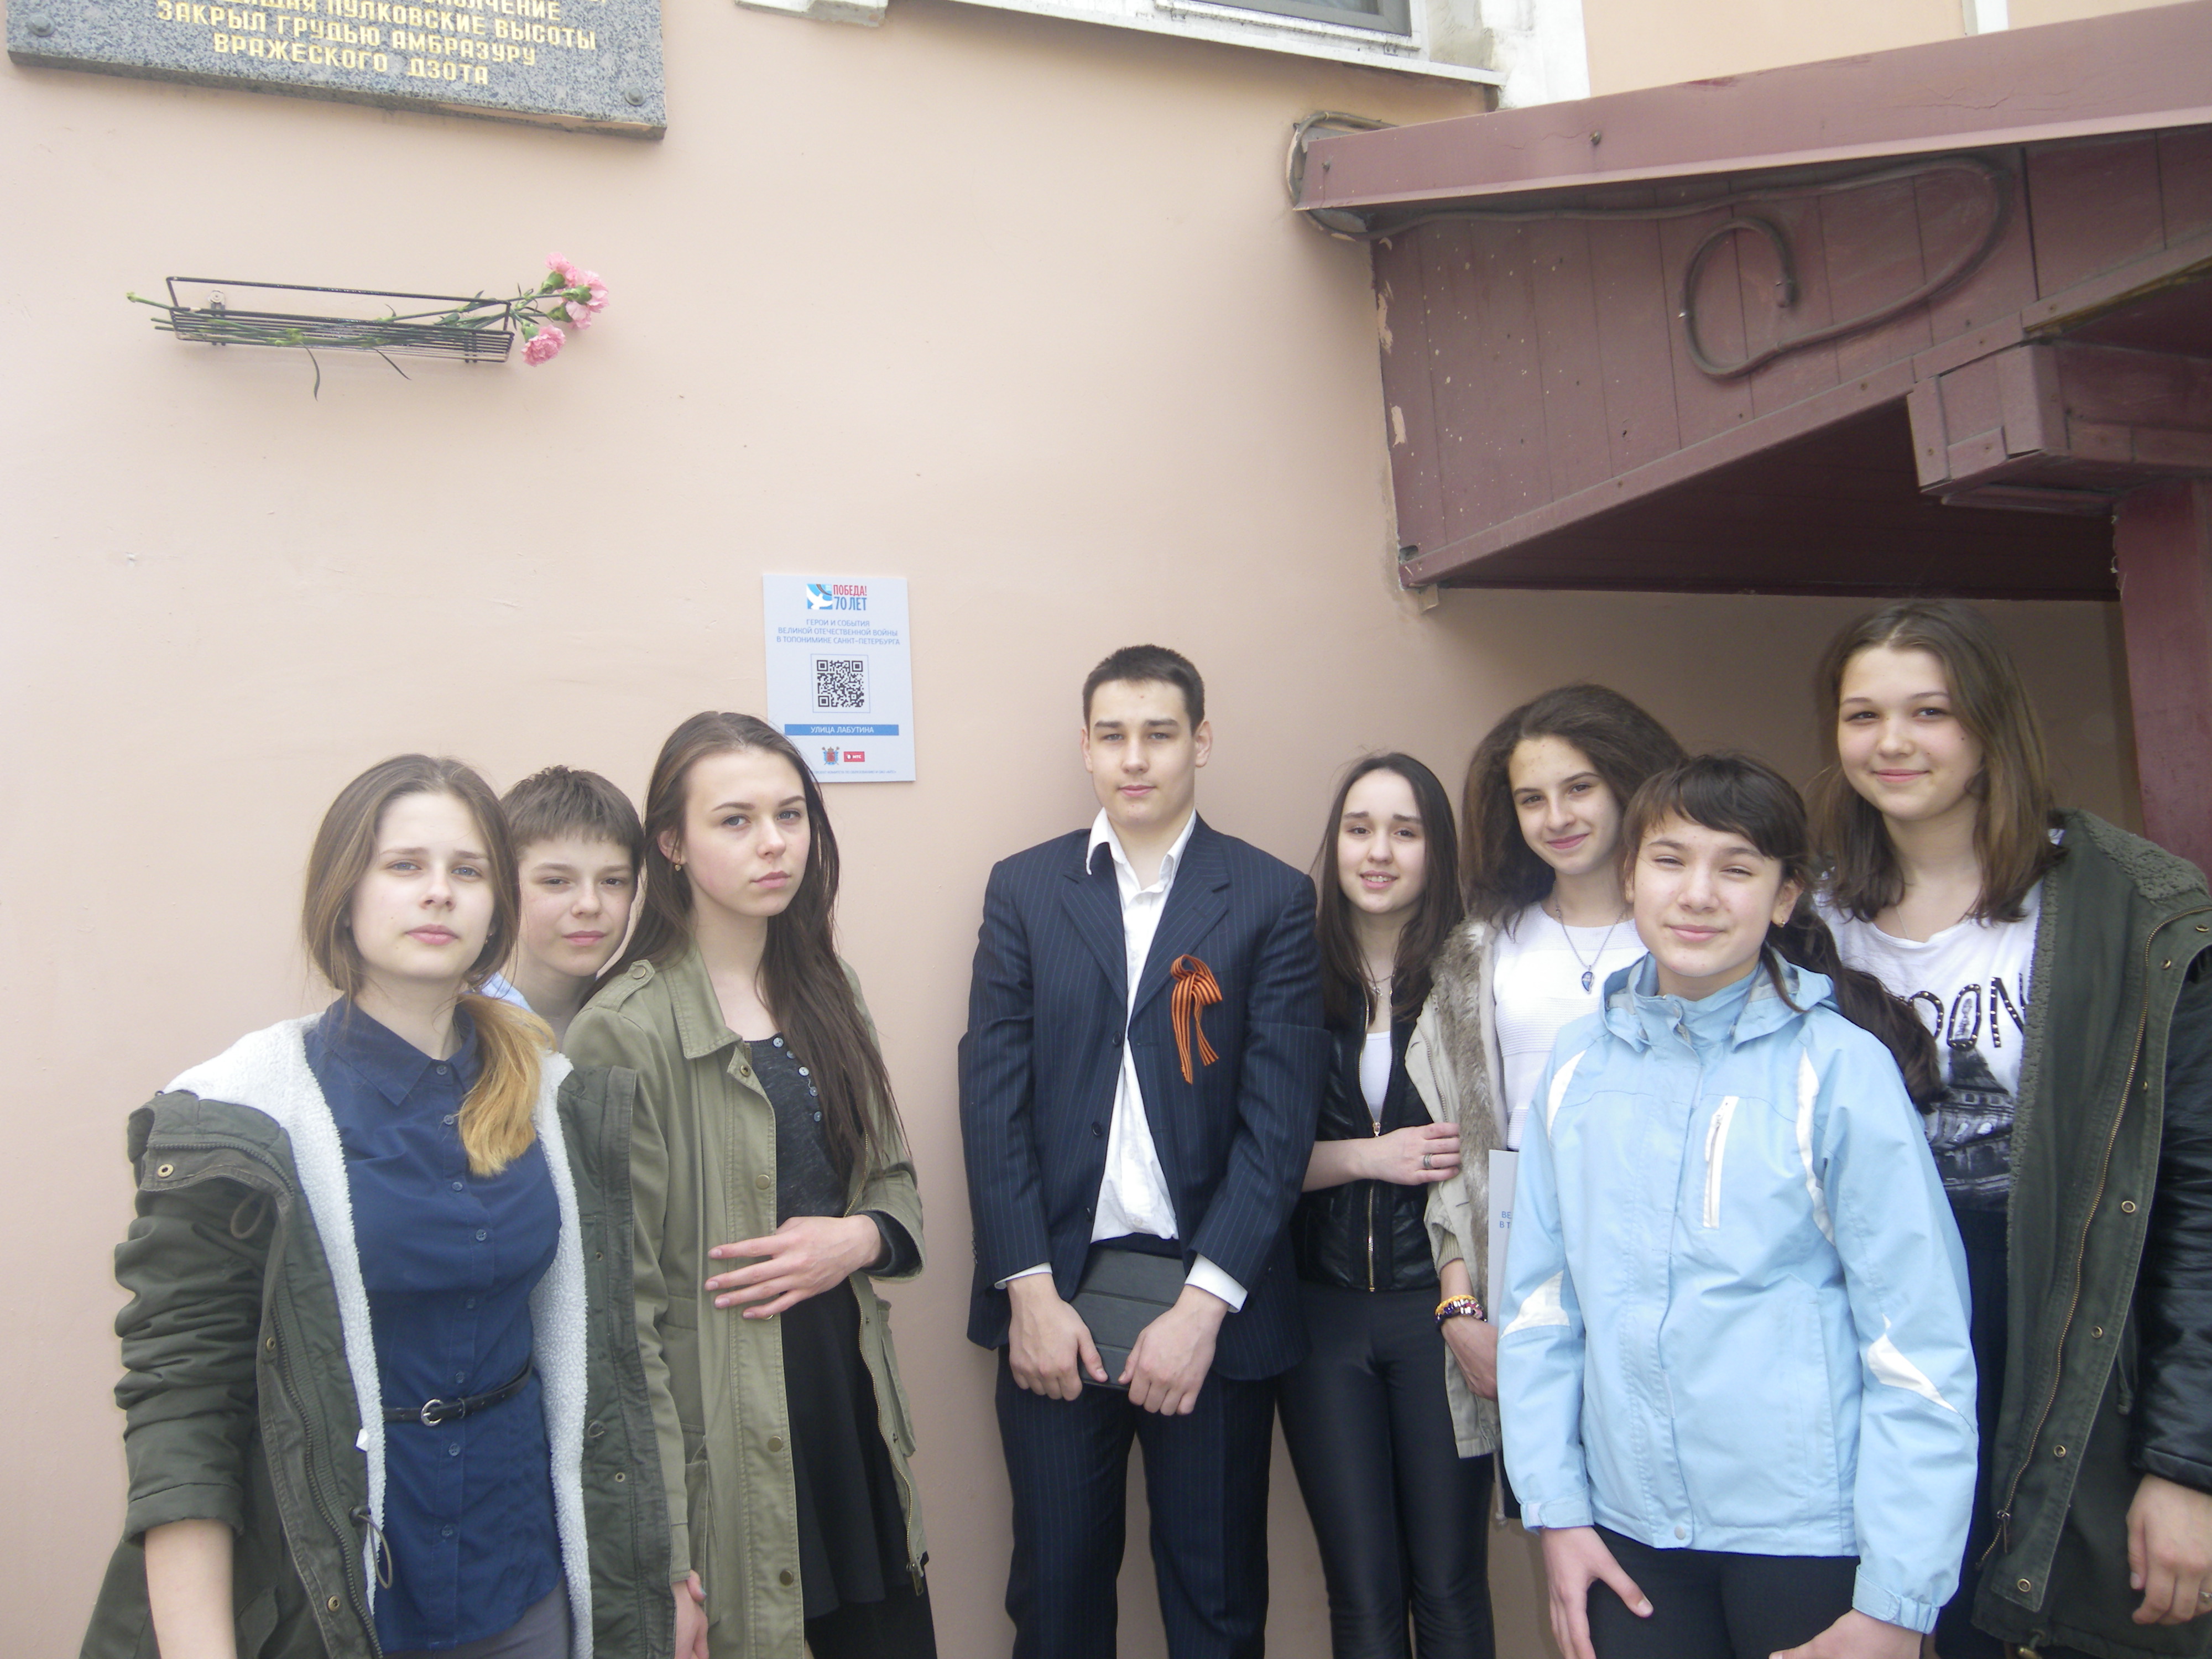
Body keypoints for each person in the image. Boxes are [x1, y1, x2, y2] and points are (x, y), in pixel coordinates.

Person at [81, 755, 676, 1659]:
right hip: (333, 1596)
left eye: (468, 870)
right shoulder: (241, 1118)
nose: (439, 892)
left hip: (522, 1580)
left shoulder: (554, 1099)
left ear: (495, 910)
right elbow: (185, 1414)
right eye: (405, 866)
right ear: (343, 896)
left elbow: (607, 1358)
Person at [1498, 752, 1975, 1659]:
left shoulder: (1841, 1070)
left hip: (1809, 1541)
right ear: (1630, 875)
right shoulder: (1577, 1064)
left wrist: (1898, 1602)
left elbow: (1919, 1344)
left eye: (1738, 868)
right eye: (1670, 860)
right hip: (1626, 1535)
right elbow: (1540, 1310)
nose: (1698, 894)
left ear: (1785, 896)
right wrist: (1556, 1511)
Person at [1809, 598, 2212, 1658]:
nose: (1892, 743)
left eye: (1929, 711)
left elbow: (2197, 1203)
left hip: (2070, 1365)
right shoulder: (1805, 923)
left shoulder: (2133, 910)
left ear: (1991, 726)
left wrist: (2186, 1467)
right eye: (1863, 715)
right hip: (1879, 1360)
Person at [959, 643, 1329, 1659]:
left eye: (1159, 734)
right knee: (1056, 1603)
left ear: (1200, 743)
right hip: (1056, 1301)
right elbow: (992, 1104)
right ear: (1084, 747)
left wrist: (1203, 1312)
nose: (1135, 758)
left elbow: (1277, 1128)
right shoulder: (1024, 889)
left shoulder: (1270, 898)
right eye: (1113, 735)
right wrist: (1030, 1294)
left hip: (1212, 1307)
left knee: (1217, 1608)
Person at [566, 713, 932, 1659]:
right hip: (730, 1439)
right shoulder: (623, 1029)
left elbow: (893, 1183)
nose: (775, 843)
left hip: (848, 1405)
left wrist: (855, 1239)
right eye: (736, 820)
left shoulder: (829, 987)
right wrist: (666, 1549)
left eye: (790, 814)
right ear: (672, 844)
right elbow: (621, 1317)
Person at [1420, 686, 1686, 1496]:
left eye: (1579, 788)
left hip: (1677, 1260)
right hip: (1532, 1258)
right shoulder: (1483, 950)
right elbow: (1459, 1148)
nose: (1557, 817)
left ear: (1628, 784)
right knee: (1563, 1502)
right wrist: (1461, 1305)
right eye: (1531, 799)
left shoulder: (1695, 932)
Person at [1276, 753, 1496, 1658]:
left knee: (1449, 1582)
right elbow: (1248, 1159)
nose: (1378, 852)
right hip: (1319, 1317)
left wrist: (1461, 1302)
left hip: (1434, 1314)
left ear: (1436, 851)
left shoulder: (1474, 975)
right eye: (1360, 829)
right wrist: (1370, 1157)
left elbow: (1485, 1156)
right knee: (1360, 1592)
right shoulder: (1289, 971)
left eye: (1405, 832)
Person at [484, 765, 645, 1045]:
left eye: (612, 881)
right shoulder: (458, 1029)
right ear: (504, 887)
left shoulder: (638, 1027)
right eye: (556, 881)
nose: (590, 904)